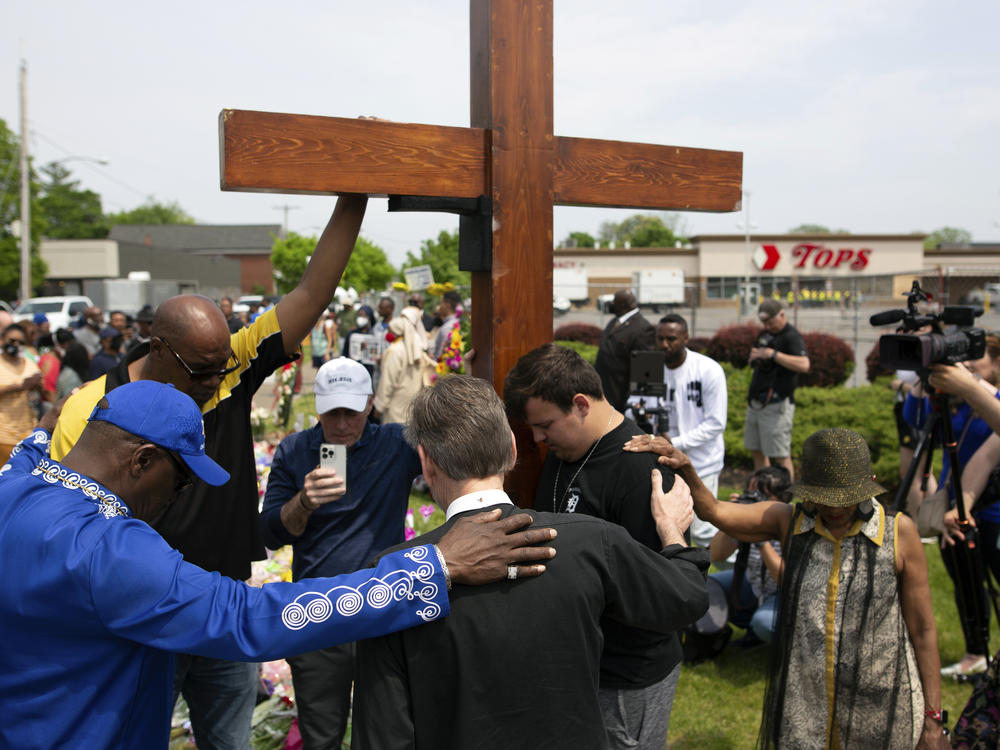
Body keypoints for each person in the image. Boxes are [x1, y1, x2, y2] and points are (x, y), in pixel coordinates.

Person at [0, 380, 557, 749]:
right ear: (142, 460)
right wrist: (433, 567)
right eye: (182, 479)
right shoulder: (104, 548)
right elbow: (249, 619)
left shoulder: (15, 484)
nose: (179, 497)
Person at [49, 195, 386, 750]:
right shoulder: (92, 407)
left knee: (229, 741)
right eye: (201, 371)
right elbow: (71, 522)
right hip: (144, 612)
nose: (216, 381)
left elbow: (311, 293)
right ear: (158, 349)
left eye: (223, 366)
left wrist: (354, 198)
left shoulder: (229, 369)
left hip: (223, 602)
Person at [353, 375, 709, 750]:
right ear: (511, 448)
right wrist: (672, 531)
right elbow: (685, 597)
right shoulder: (590, 542)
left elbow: (381, 732)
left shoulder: (397, 576)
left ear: (425, 462)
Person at [625, 428, 950, 750]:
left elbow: (922, 629)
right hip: (808, 709)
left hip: (882, 706)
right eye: (822, 498)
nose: (834, 509)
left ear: (870, 483)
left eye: (845, 498)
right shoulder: (788, 521)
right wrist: (684, 467)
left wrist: (933, 719)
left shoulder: (898, 533)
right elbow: (714, 510)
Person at [503, 343, 690, 750]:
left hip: (625, 675)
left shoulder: (643, 470)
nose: (537, 438)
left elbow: (662, 593)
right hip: (575, 664)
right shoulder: (567, 452)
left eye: (545, 425)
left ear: (581, 404)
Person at [259, 357, 423, 749]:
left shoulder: (396, 445)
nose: (343, 424)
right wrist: (304, 501)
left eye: (352, 411)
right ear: (317, 407)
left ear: (370, 404)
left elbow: (457, 453)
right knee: (321, 734)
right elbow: (271, 533)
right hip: (318, 612)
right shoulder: (296, 450)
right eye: (333, 412)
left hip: (380, 611)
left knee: (386, 733)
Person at [905, 340, 1000, 677]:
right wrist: (961, 505)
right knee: (967, 583)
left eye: (977, 358)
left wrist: (970, 386)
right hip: (962, 502)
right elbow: (985, 457)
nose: (969, 364)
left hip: (994, 513)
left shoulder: (982, 396)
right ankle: (976, 651)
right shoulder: (958, 403)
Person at [627, 313, 727, 547]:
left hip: (701, 463)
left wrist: (675, 444)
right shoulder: (648, 365)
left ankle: (707, 581)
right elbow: (632, 409)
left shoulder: (708, 370)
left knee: (702, 531)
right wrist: (640, 412)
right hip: (660, 461)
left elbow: (715, 423)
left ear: (686, 338)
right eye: (660, 339)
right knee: (665, 526)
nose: (664, 345)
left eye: (671, 339)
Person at [707, 466, 791, 646]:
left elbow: (788, 580)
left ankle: (771, 638)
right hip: (754, 583)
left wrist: (762, 540)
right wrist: (731, 519)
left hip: (784, 594)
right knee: (704, 588)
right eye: (750, 493)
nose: (755, 501)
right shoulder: (748, 518)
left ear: (782, 500)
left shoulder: (791, 522)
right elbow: (714, 555)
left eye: (761, 496)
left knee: (765, 624)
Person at [744, 299, 810, 480]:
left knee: (779, 454)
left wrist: (773, 355)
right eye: (764, 322)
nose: (768, 326)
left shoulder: (791, 336)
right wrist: (755, 357)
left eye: (770, 322)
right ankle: (760, 490)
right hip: (757, 401)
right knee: (756, 449)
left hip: (777, 403)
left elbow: (804, 365)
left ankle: (785, 497)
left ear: (782, 315)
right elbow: (757, 358)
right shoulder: (764, 334)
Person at [594, 289, 656, 412]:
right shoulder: (615, 321)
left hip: (621, 398)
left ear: (624, 305)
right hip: (605, 392)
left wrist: (632, 402)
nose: (611, 304)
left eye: (614, 301)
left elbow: (644, 371)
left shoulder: (642, 328)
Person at [374, 309, 430, 424]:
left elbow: (387, 382)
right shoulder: (417, 348)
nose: (387, 333)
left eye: (389, 330)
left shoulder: (394, 350)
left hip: (394, 408)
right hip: (411, 407)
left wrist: (379, 406)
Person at [0, 323, 42, 463]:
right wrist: (18, 387)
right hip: (3, 435)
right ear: (2, 340)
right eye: (12, 340)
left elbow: (41, 389)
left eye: (21, 342)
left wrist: (37, 384)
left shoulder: (28, 363)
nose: (16, 344)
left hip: (27, 432)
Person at [343, 303, 377, 377]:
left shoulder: (373, 334)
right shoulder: (351, 334)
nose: (360, 318)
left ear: (369, 317)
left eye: (363, 315)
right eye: (359, 315)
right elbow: (345, 353)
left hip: (369, 372)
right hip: (353, 370)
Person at [430, 290, 461, 360]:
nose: (439, 306)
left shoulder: (446, 328)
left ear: (448, 305)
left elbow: (440, 357)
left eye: (441, 303)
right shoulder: (459, 322)